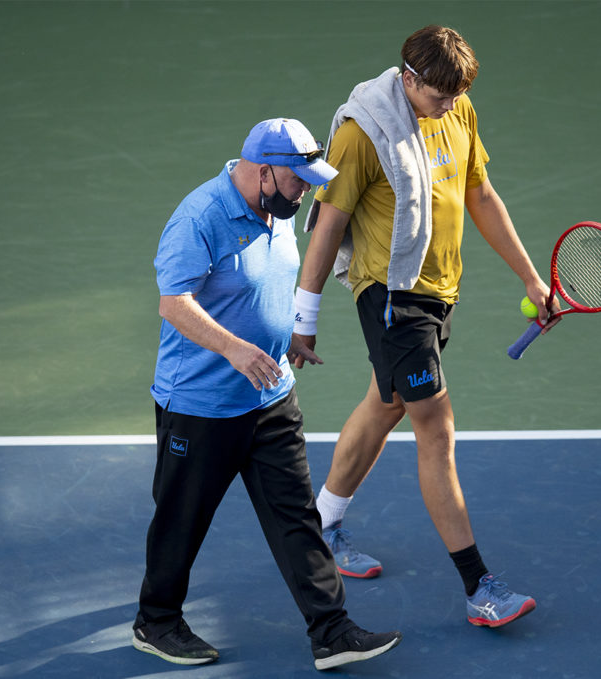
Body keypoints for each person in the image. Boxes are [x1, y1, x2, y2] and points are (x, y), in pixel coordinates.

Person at [290, 26, 558, 628]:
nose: (448, 105)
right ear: (408, 78)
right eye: (437, 95)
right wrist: (302, 319)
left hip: (438, 291)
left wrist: (530, 278)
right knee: (434, 427)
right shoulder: (363, 133)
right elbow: (328, 226)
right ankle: (479, 587)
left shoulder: (457, 107)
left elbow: (479, 192)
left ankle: (321, 525)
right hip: (392, 297)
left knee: (385, 404)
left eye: (455, 95)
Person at [134, 118, 402, 670]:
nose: (305, 191)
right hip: (200, 405)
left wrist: (285, 337)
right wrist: (235, 348)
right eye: (297, 180)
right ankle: (156, 622)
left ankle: (331, 631)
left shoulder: (277, 209)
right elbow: (174, 303)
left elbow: (264, 288)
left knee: (296, 516)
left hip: (271, 394)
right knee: (181, 519)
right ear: (262, 171)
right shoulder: (200, 217)